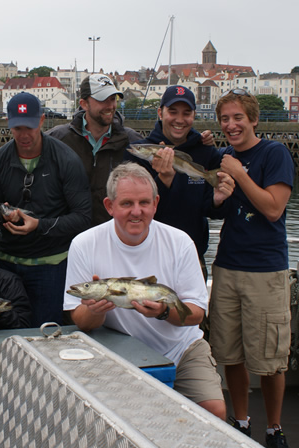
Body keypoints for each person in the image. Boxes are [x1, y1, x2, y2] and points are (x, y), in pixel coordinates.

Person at [63, 163, 229, 420]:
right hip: (116, 351)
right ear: (110, 206)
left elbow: (195, 314)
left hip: (180, 349)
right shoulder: (84, 244)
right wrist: (95, 311)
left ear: (156, 203)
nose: (136, 212)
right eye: (127, 203)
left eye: (144, 203)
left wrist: (164, 312)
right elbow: (80, 321)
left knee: (215, 411)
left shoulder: (181, 242)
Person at [208, 88, 296, 448]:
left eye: (238, 118)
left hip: (266, 270)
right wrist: (218, 195)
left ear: (253, 119)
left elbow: (273, 209)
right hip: (227, 266)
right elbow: (218, 213)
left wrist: (239, 175)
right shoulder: (224, 158)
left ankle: (274, 429)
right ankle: (241, 421)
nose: (231, 125)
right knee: (231, 353)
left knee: (271, 360)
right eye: (225, 119)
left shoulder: (274, 154)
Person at [0, 92, 91, 327]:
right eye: (17, 127)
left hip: (51, 265)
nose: (24, 135)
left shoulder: (66, 160)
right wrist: (4, 216)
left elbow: (83, 217)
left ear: (42, 121)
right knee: (7, 331)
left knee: (46, 332)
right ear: (8, 124)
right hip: (7, 263)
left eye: (30, 127)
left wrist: (39, 225)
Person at [129, 85, 231, 276]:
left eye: (186, 113)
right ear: (160, 112)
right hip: (146, 260)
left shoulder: (207, 153)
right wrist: (163, 181)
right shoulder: (139, 153)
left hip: (191, 259)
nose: (179, 119)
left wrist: (218, 201)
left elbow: (214, 212)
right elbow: (133, 211)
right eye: (172, 112)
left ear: (194, 115)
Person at [46, 74, 142, 226]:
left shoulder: (132, 141)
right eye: (103, 100)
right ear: (84, 104)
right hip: (69, 237)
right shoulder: (57, 139)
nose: (110, 106)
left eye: (112, 99)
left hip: (114, 237)